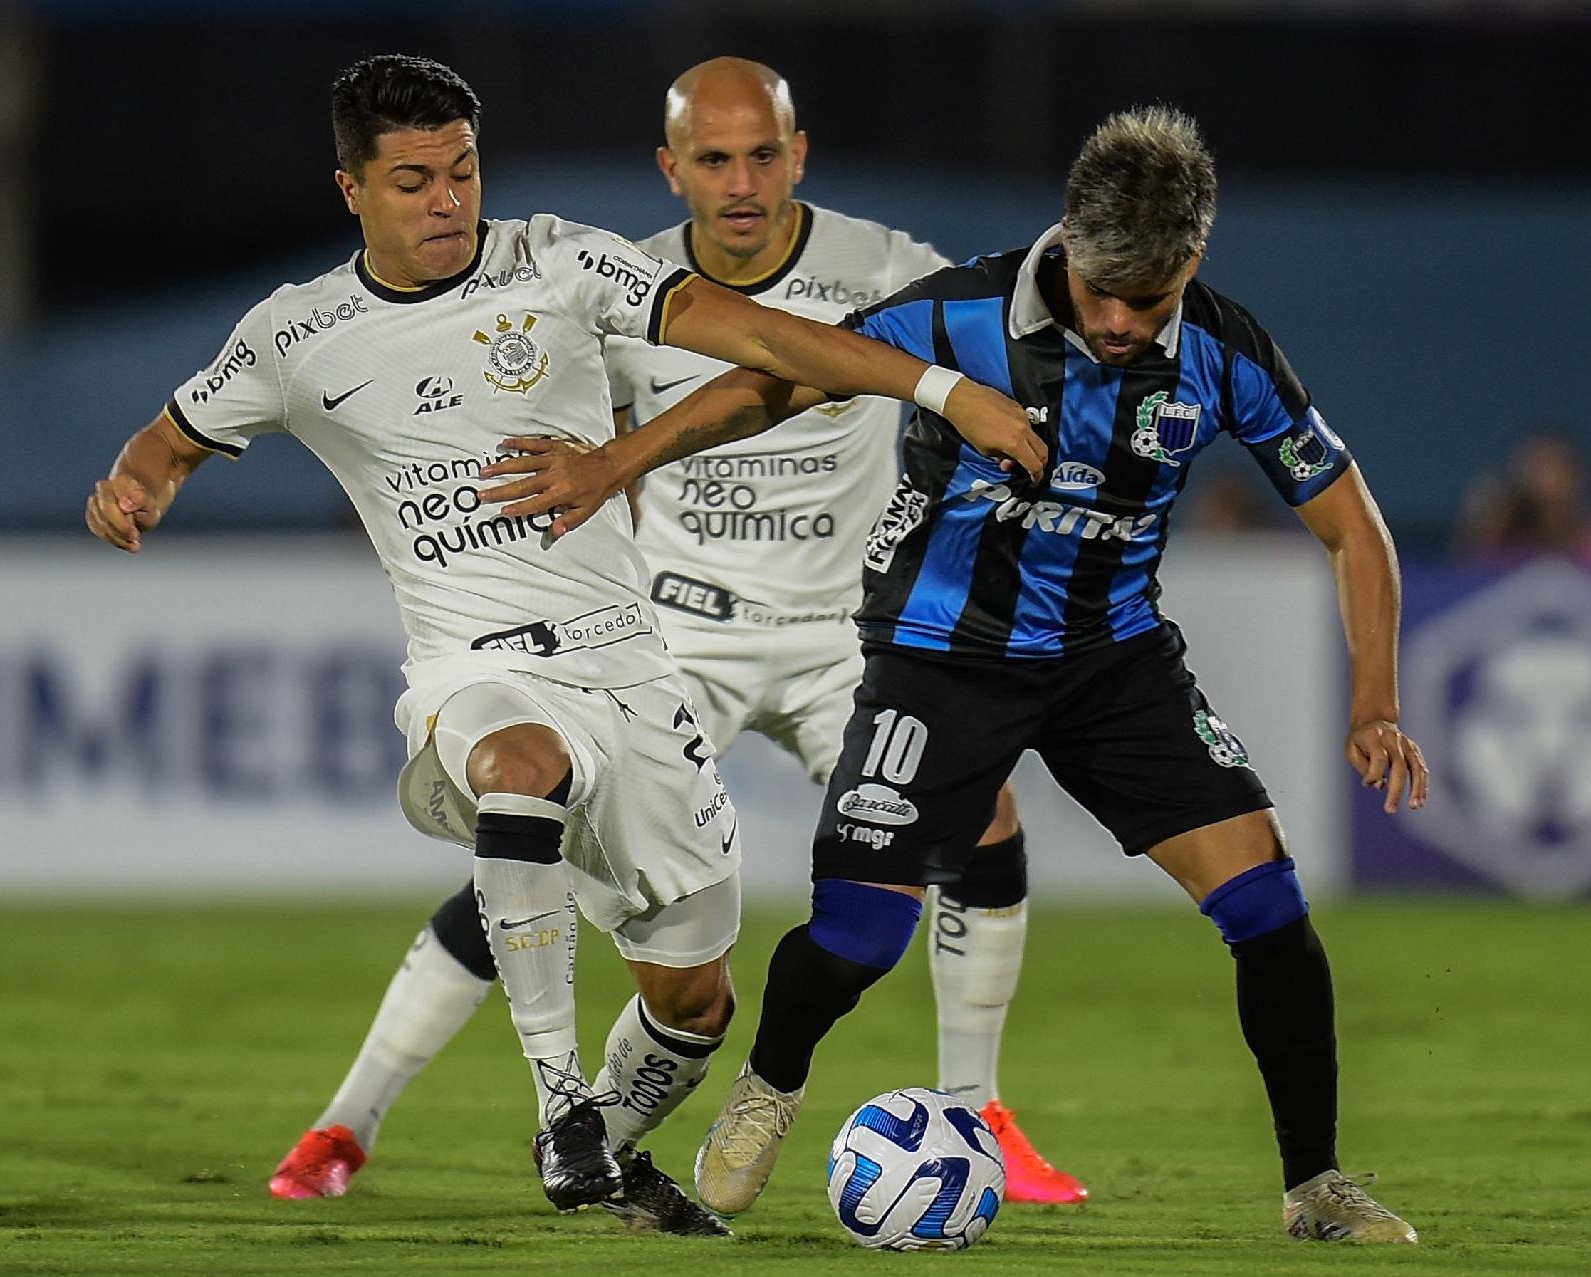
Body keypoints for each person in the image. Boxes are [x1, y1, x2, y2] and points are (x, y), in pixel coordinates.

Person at [82, 53, 1041, 1236]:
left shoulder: (562, 259)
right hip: (473, 669)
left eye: (464, 171)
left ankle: (608, 1142)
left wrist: (944, 392)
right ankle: (548, 1105)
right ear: (352, 192)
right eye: (414, 180)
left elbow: (768, 342)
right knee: (520, 770)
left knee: (695, 999)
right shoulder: (296, 334)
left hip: (635, 663)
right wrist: (133, 486)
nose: (447, 201)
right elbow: (170, 436)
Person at [484, 106, 1430, 1244]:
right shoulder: (961, 311)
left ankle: (1315, 1183)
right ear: (1069, 242)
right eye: (1105, 293)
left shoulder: (1227, 346)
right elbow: (777, 382)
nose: (1126, 323)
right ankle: (771, 1083)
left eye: (1154, 297)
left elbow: (1352, 525)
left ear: (1194, 261)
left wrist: (1375, 699)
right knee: (859, 939)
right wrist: (614, 459)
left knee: (1269, 905)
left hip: (1114, 662)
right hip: (940, 660)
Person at [1451, 426, 1591, 575]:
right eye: (1535, 466)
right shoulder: (1498, 532)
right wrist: (1483, 522)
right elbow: (1467, 575)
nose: (1544, 478)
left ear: (1577, 474)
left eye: (1554, 466)